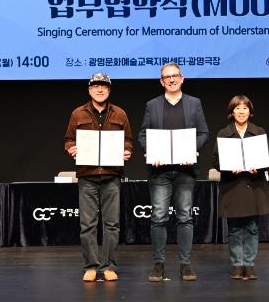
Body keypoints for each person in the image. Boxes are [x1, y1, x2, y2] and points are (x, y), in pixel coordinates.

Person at [138, 62, 210, 282]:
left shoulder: (194, 103)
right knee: (159, 217)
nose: (171, 79)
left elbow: (204, 133)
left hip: (185, 171)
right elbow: (143, 135)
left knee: (185, 217)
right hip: (159, 172)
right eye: (167, 77)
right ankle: (158, 265)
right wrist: (151, 151)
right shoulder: (152, 105)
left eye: (175, 75)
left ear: (182, 78)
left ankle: (185, 265)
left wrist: (192, 149)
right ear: (161, 81)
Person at [64, 73, 133, 282]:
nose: (100, 89)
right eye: (96, 86)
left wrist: (127, 151)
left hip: (112, 175)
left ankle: (109, 266)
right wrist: (72, 148)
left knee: (112, 224)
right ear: (89, 89)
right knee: (88, 224)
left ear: (109, 90)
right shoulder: (78, 113)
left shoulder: (120, 113)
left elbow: (128, 140)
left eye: (104, 86)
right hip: (87, 175)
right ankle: (91, 266)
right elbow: (69, 140)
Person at [211, 94, 269, 280]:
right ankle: (237, 265)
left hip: (254, 186)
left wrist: (258, 167)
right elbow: (215, 161)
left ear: (250, 111)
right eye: (237, 108)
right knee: (235, 229)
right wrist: (229, 167)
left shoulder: (259, 132)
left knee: (253, 228)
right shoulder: (224, 133)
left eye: (244, 108)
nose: (241, 111)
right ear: (232, 112)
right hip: (233, 186)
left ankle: (249, 264)